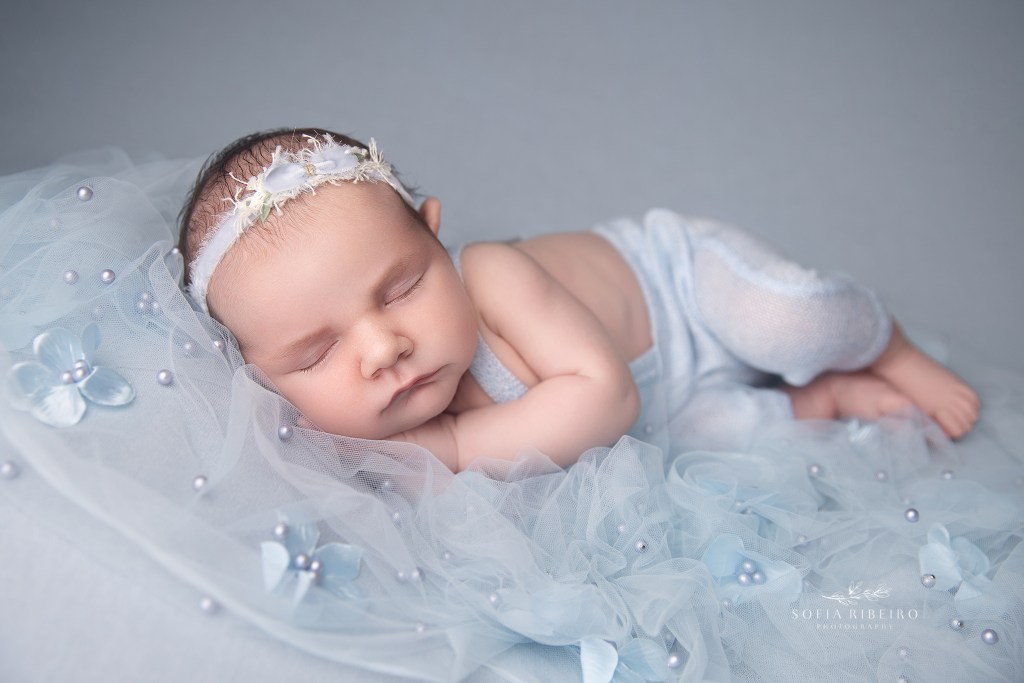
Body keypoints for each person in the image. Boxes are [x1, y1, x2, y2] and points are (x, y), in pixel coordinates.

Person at [178, 127, 980, 472]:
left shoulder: (489, 272)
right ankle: (827, 394)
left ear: (436, 238)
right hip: (666, 412)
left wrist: (457, 452)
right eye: (317, 353)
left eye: (403, 286)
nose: (382, 346)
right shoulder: (351, 426)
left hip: (682, 290)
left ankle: (885, 344)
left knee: (785, 322)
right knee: (722, 453)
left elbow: (605, 397)